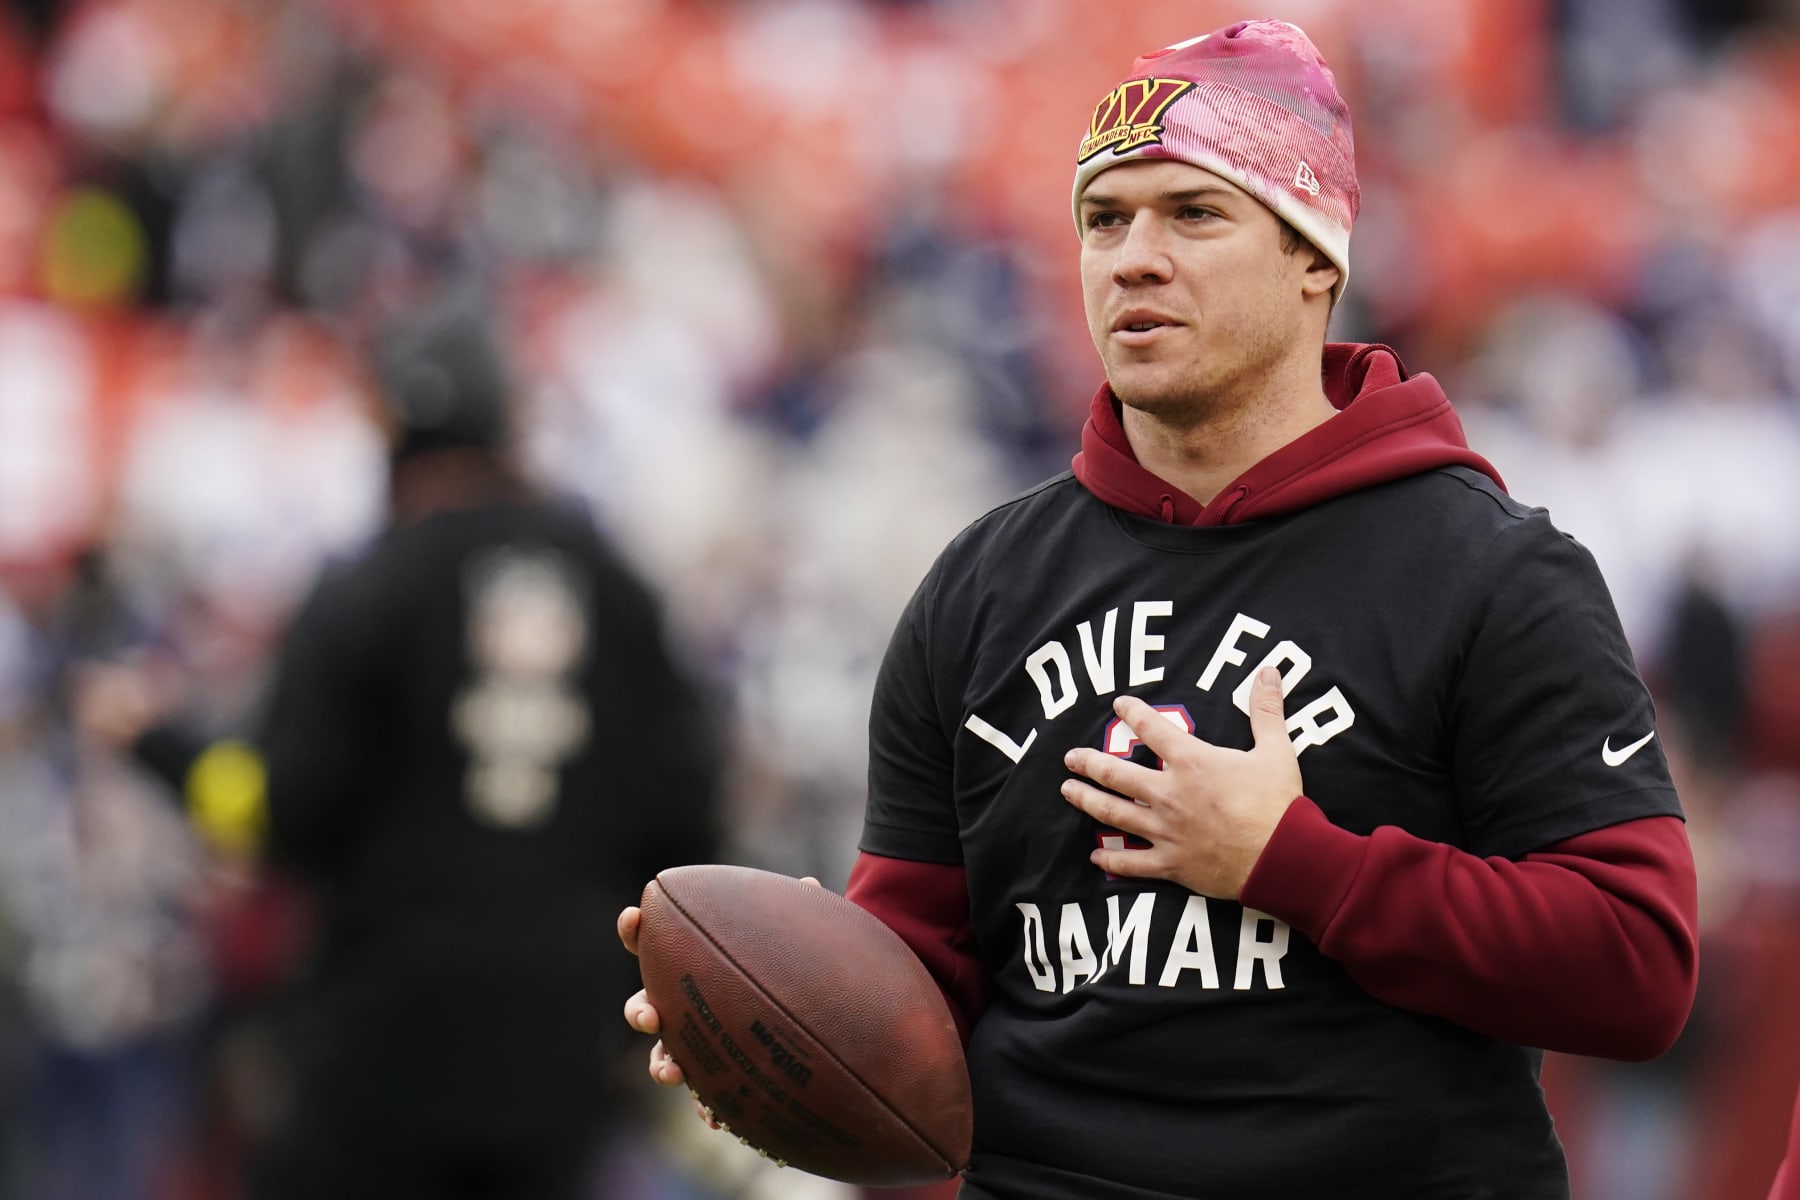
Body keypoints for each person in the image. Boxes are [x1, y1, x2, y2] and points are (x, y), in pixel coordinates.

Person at [620, 19, 1698, 1198]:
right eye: (1103, 219)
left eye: (1193, 213)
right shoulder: (983, 585)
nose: (1133, 256)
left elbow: (1638, 967)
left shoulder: (1491, 573)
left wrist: (1295, 861)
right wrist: (766, 1021)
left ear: (1314, 260)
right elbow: (921, 973)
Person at [80, 292, 723, 1200]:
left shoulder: (368, 591)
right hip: (567, 1053)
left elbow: (276, 815)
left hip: (385, 1050)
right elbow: (692, 824)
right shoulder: (620, 592)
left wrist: (160, 745)